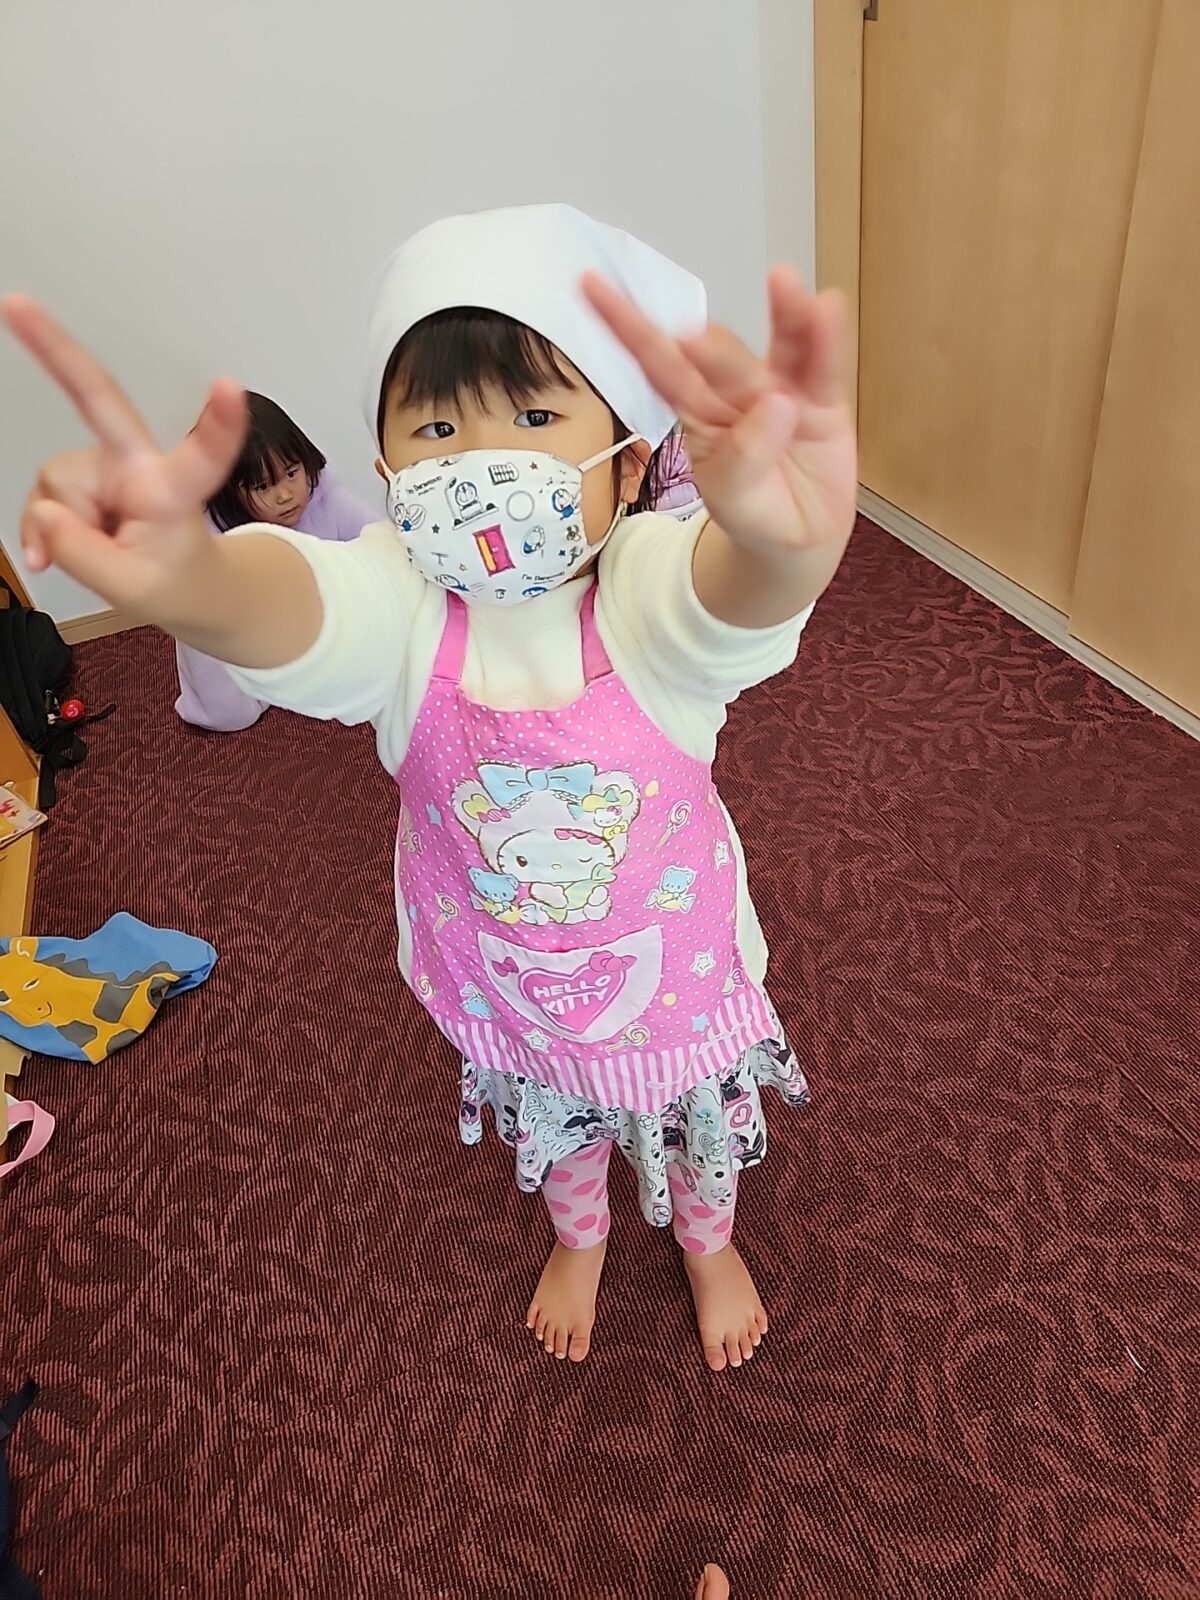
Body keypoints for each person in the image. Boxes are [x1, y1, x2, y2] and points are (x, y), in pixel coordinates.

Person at [3, 202, 857, 1374]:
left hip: (677, 978)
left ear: (626, 459)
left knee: (698, 1132)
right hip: (508, 984)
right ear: (389, 467)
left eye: (537, 417)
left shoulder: (644, 587)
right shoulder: (404, 604)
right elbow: (302, 609)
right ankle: (582, 1235)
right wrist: (195, 581)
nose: (482, 465)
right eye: (440, 427)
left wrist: (783, 544)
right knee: (556, 1125)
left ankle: (708, 1244)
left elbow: (726, 602)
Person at [177, 391, 376, 731]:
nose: (285, 494)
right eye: (263, 486)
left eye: (291, 472)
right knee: (230, 715)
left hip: (311, 633)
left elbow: (378, 541)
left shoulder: (322, 498)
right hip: (248, 646)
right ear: (229, 492)